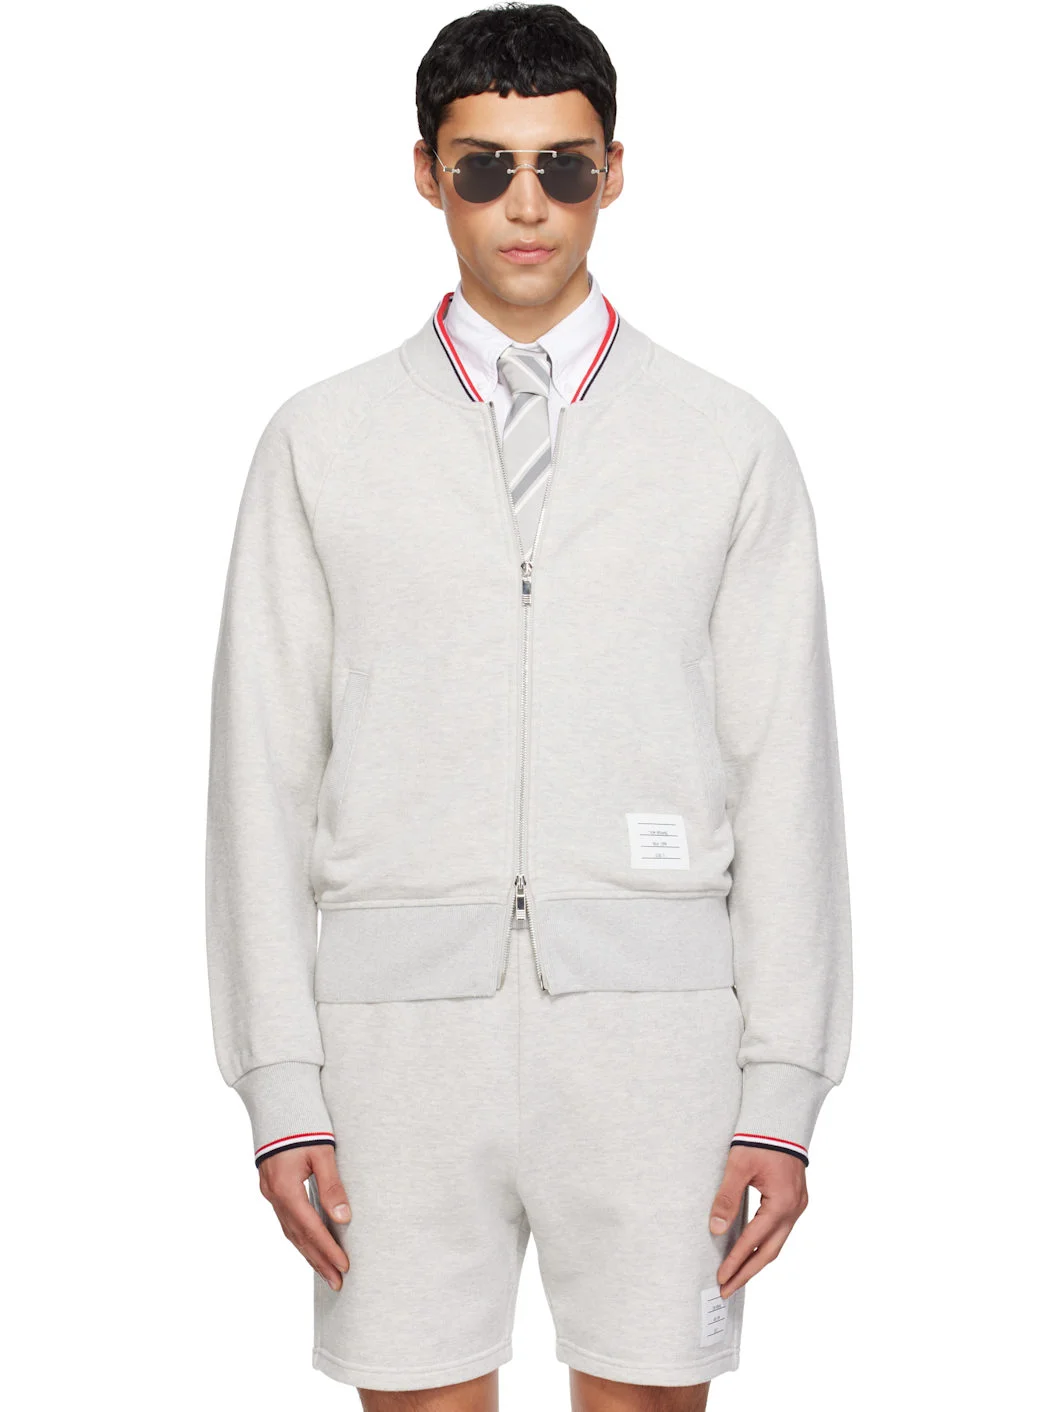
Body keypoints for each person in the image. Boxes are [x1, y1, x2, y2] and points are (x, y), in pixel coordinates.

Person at [204, 5, 853, 1409]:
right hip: (392, 1047)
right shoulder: (321, 441)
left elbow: (786, 775)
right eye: (485, 167)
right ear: (426, 174)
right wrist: (279, 1086)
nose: (526, 206)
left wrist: (782, 1091)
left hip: (656, 1040)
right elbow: (259, 777)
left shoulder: (725, 442)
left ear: (613, 172)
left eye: (561, 167)